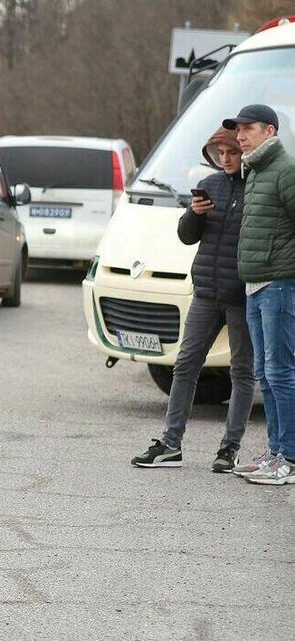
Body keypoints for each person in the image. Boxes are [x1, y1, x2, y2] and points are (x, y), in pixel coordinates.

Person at [131, 128, 253, 472]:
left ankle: (229, 449)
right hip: (206, 294)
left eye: (231, 153)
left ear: (244, 152)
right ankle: (171, 444)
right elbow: (186, 236)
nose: (225, 159)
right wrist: (194, 213)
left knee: (242, 372)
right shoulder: (210, 185)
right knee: (184, 365)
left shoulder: (259, 187)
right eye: (219, 154)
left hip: (242, 297)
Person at [223, 104, 295, 486]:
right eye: (238, 130)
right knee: (264, 374)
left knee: (281, 372)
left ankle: (290, 459)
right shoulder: (254, 170)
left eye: (248, 129)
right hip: (254, 285)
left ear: (269, 131)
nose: (240, 136)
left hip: (279, 284)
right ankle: (274, 451)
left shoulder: (285, 169)